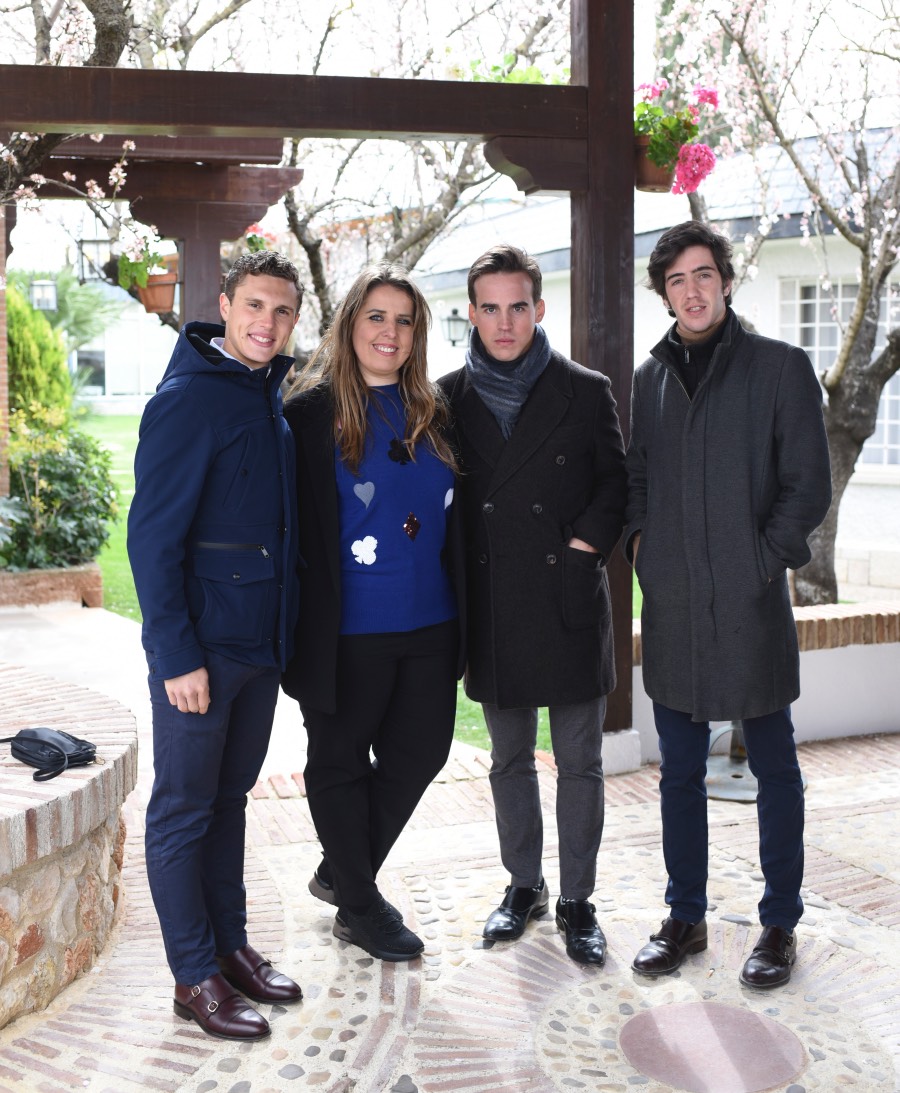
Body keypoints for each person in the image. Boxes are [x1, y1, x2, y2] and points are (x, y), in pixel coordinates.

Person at [625, 220, 832, 989]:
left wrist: (757, 561)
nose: (693, 290)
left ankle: (779, 921)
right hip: (675, 607)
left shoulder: (780, 368)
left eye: (704, 274)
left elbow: (806, 484)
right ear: (664, 292)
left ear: (726, 279)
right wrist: (644, 549)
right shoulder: (648, 382)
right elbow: (637, 478)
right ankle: (686, 914)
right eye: (677, 279)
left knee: (773, 766)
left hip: (751, 607)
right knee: (679, 772)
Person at [128, 252, 304, 1041]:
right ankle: (192, 974)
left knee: (228, 804)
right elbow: (150, 541)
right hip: (202, 654)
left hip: (257, 648)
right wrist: (175, 657)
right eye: (255, 305)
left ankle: (230, 946)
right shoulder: (187, 400)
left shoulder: (266, 396)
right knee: (181, 812)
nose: (267, 323)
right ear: (225, 306)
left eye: (283, 311)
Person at [438, 243, 627, 966]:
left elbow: (616, 482)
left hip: (568, 597)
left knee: (580, 760)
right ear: (473, 314)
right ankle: (525, 887)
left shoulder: (586, 388)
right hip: (495, 603)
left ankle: (578, 900)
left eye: (518, 305)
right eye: (490, 307)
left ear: (539, 308)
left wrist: (583, 547)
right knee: (508, 759)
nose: (505, 321)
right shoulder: (448, 396)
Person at [281, 264, 464, 962]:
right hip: (345, 630)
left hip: (431, 622)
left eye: (404, 319)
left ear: (417, 333)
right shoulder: (309, 413)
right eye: (376, 317)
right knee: (338, 763)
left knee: (421, 752)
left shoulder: (434, 410)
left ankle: (341, 871)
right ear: (350, 324)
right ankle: (361, 903)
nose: (390, 332)